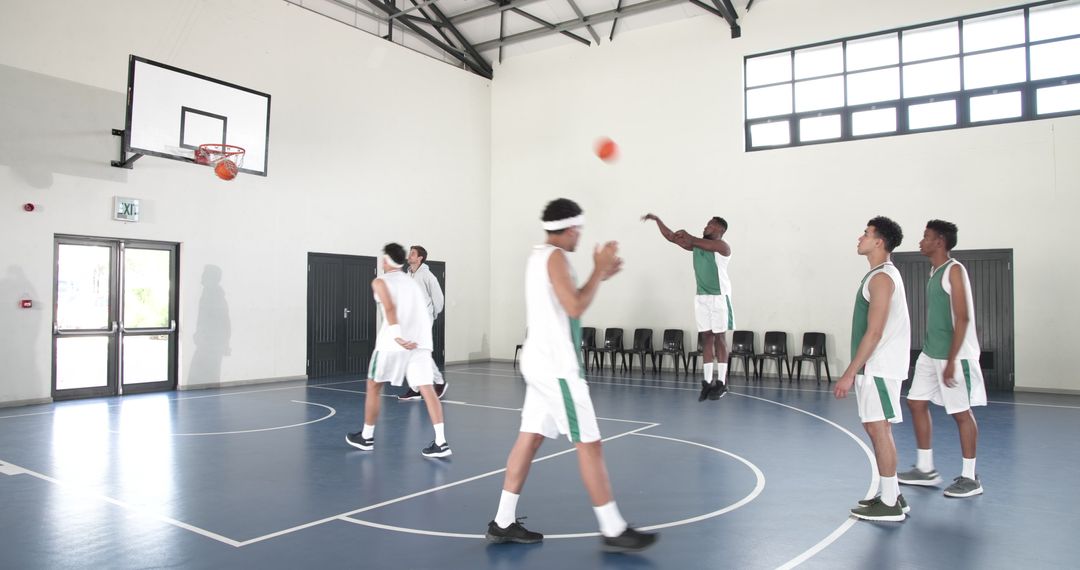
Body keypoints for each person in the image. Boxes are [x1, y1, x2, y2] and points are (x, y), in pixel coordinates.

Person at [485, 198, 658, 553]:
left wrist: (600, 275)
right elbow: (576, 305)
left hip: (537, 360)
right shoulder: (556, 258)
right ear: (570, 228)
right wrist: (598, 269)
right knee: (589, 443)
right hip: (556, 367)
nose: (581, 235)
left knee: (530, 437)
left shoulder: (539, 256)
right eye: (579, 229)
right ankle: (612, 527)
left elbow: (570, 300)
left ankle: (503, 522)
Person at [898, 220, 986, 498]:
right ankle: (925, 469)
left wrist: (951, 361)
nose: (920, 241)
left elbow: (963, 318)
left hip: (955, 355)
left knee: (961, 413)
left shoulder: (954, 271)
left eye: (925, 237)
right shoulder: (934, 271)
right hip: (930, 352)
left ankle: (971, 478)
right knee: (915, 402)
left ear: (940, 242)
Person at [835, 216, 911, 522]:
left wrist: (850, 371)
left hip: (879, 366)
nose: (860, 238)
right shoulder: (878, 275)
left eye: (866, 234)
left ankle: (891, 502)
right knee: (874, 427)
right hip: (875, 366)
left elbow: (875, 331)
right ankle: (890, 492)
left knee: (879, 429)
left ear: (879, 242)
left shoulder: (882, 278)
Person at [346, 243, 451, 459]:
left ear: (386, 260)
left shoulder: (380, 281)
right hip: (420, 343)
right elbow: (423, 311)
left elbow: (390, 308)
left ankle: (367, 436)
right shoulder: (410, 281)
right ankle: (441, 442)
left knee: (374, 385)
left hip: (393, 343)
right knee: (427, 389)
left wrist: (397, 336)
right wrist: (422, 340)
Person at [642, 213, 734, 401]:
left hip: (719, 297)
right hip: (702, 298)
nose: (706, 226)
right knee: (706, 338)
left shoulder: (722, 247)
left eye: (710, 225)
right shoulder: (697, 246)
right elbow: (671, 237)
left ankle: (722, 383)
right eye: (707, 223)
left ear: (720, 230)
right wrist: (658, 220)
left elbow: (693, 240)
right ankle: (708, 382)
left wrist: (688, 236)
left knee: (719, 338)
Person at [398, 244, 448, 401]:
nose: (409, 256)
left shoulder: (428, 276)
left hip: (423, 320)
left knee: (419, 352)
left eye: (412, 253)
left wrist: (431, 315)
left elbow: (439, 299)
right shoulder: (408, 275)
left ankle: (437, 383)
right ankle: (417, 388)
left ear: (420, 258)